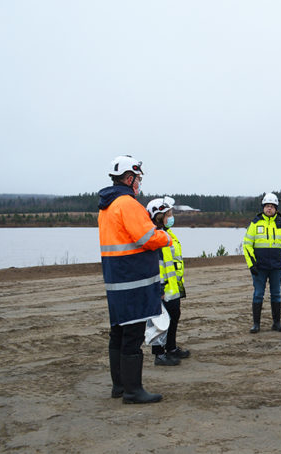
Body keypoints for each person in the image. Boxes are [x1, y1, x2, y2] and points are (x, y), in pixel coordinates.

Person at [98, 155, 171, 404]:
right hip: (134, 280)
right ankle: (133, 391)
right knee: (132, 335)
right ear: (129, 178)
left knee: (117, 332)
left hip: (117, 279)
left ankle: (119, 386)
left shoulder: (107, 206)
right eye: (138, 178)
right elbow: (147, 238)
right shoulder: (127, 204)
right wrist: (165, 237)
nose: (139, 183)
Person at [146, 196, 191, 366]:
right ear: (158, 217)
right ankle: (159, 355)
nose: (171, 217)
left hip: (172, 287)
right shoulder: (155, 238)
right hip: (162, 289)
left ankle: (171, 348)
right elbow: (156, 266)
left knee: (174, 316)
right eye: (168, 214)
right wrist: (160, 289)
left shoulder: (167, 234)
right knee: (160, 321)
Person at [242, 193, 281, 333]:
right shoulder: (255, 223)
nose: (269, 209)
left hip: (276, 267)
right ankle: (256, 324)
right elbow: (247, 245)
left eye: (272, 206)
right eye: (267, 206)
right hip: (259, 267)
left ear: (276, 208)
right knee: (258, 294)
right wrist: (251, 264)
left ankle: (276, 323)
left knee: (276, 294)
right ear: (263, 207)